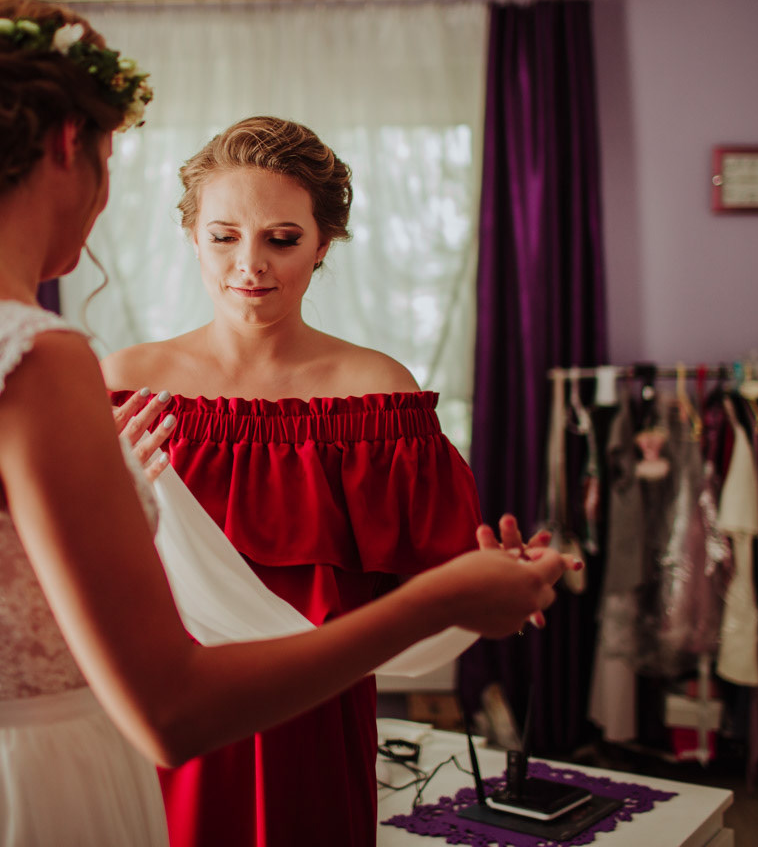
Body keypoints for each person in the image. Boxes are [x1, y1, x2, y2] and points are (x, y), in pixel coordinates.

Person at [0, 0, 569, 847]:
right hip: (36, 780)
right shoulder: (38, 357)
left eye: (281, 239)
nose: (102, 196)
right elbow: (170, 711)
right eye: (107, 157)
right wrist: (443, 601)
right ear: (69, 145)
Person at [102, 116, 510, 847]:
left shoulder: (377, 398)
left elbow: (440, 580)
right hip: (157, 712)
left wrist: (499, 577)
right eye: (224, 236)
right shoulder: (126, 386)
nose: (249, 264)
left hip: (313, 728)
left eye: (282, 239)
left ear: (324, 244)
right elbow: (72, 564)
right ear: (192, 235)